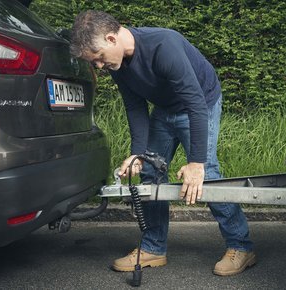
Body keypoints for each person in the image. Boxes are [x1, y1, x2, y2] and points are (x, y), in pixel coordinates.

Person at [70, 10, 255, 276]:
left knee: (208, 174)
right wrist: (137, 154)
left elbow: (196, 104)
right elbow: (135, 108)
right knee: (149, 170)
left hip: (200, 104)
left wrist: (196, 163)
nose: (99, 66)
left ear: (111, 38)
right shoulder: (117, 64)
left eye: (98, 58)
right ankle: (154, 248)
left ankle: (241, 246)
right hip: (165, 109)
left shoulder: (163, 46)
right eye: (94, 62)